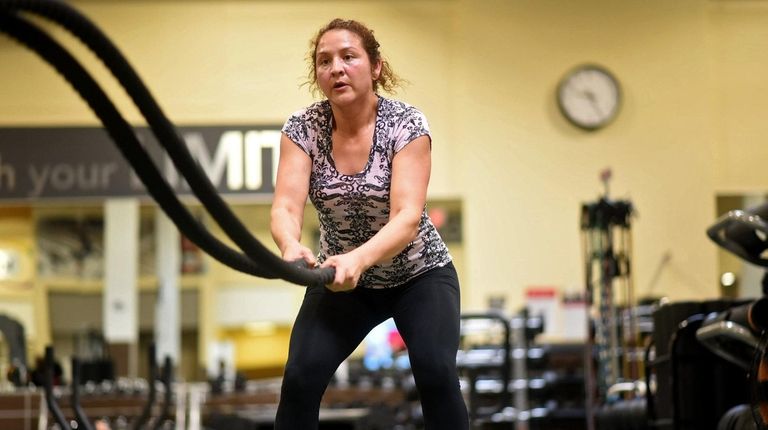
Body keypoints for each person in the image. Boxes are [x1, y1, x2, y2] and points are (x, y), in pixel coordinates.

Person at [270, 18, 469, 429]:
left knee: (435, 372)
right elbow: (286, 208)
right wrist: (290, 246)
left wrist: (357, 260)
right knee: (300, 379)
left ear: (375, 66)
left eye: (348, 57)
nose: (336, 68)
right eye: (324, 61)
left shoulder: (406, 124)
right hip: (343, 283)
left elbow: (407, 218)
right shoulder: (303, 128)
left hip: (419, 274)